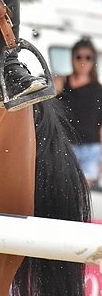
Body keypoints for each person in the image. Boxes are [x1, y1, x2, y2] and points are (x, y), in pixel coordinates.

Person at [55, 39, 102, 187]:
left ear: (93, 61)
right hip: (64, 145)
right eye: (79, 56)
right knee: (61, 188)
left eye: (88, 57)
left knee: (81, 194)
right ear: (72, 58)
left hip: (91, 150)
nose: (83, 61)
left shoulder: (99, 90)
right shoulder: (60, 83)